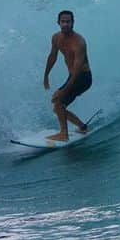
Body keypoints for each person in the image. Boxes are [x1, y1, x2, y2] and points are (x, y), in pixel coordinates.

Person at [42, 9, 93, 141]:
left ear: (73, 23)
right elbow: (52, 56)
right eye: (63, 21)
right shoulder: (56, 38)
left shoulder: (79, 42)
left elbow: (76, 71)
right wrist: (46, 75)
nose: (65, 24)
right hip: (73, 76)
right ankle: (82, 127)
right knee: (57, 107)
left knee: (59, 103)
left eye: (68, 22)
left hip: (83, 77)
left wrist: (63, 90)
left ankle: (63, 134)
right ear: (58, 22)